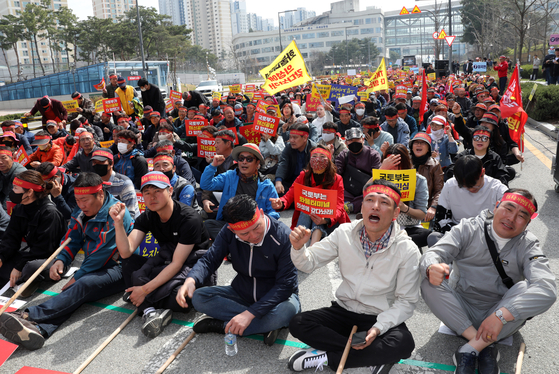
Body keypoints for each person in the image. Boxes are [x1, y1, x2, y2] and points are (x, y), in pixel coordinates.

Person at [287, 179, 420, 373]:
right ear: (363, 206)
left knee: (404, 343)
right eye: (369, 200)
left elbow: (406, 302)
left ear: (395, 213)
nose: (375, 206)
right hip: (344, 311)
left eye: (384, 202)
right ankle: (367, 354)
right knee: (298, 323)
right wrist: (298, 248)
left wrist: (378, 328)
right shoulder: (344, 232)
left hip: (378, 317)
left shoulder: (407, 249)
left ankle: (326, 358)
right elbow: (309, 263)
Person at [420, 189, 556, 374]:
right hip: (461, 309)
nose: (511, 218)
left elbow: (547, 289)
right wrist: (431, 266)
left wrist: (501, 315)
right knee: (429, 282)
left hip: (500, 314)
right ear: (497, 205)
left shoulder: (529, 244)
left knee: (525, 287)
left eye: (521, 216)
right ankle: (483, 343)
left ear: (528, 223)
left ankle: (469, 349)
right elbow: (434, 253)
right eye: (508, 208)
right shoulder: (469, 227)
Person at [0, 172, 134, 350]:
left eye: (85, 200)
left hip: (120, 266)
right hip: (95, 263)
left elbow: (102, 253)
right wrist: (61, 259)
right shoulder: (81, 209)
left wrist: (78, 276)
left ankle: (26, 315)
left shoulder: (116, 213)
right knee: (76, 294)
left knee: (82, 285)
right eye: (77, 200)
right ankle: (40, 329)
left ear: (100, 194)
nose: (80, 205)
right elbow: (72, 237)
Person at [174, 195, 299, 347]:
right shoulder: (228, 233)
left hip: (278, 299)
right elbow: (210, 259)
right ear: (232, 229)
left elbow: (285, 286)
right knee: (199, 297)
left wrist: (249, 314)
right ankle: (265, 324)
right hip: (242, 293)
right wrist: (191, 280)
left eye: (256, 227)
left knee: (286, 311)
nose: (253, 236)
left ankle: (224, 326)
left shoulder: (284, 236)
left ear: (260, 212)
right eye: (244, 234)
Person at [109, 171, 211, 338]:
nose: (152, 197)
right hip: (167, 259)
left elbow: (178, 264)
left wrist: (143, 289)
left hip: (194, 263)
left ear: (170, 191)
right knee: (128, 262)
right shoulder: (148, 216)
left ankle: (143, 301)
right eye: (147, 193)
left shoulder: (189, 218)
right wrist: (118, 223)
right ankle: (149, 310)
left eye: (157, 191)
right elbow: (126, 251)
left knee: (184, 301)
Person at [0, 171, 65, 297]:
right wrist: (2, 256)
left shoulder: (49, 213)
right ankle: (19, 280)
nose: (12, 192)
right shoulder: (20, 208)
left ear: (29, 192)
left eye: (16, 188)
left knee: (31, 267)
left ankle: (29, 281)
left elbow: (45, 249)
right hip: (32, 251)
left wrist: (19, 266)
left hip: (52, 256)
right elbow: (11, 238)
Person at [271, 144, 350, 244]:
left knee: (318, 210)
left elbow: (339, 206)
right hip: (307, 218)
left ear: (329, 160)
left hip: (330, 222)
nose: (317, 159)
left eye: (322, 157)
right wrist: (281, 202)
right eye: (314, 156)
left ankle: (311, 247)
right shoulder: (303, 176)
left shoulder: (337, 179)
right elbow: (290, 195)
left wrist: (325, 219)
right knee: (308, 209)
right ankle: (300, 243)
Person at [200, 144, 280, 240]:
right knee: (208, 224)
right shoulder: (229, 176)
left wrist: (260, 223)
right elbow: (206, 185)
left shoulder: (267, 185)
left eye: (249, 159)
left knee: (277, 231)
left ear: (257, 163)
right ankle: (237, 243)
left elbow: (273, 213)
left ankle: (234, 243)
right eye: (241, 158)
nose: (244, 162)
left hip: (253, 227)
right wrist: (213, 165)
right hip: (231, 225)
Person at [428, 155, 508, 246]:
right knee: (433, 237)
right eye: (465, 187)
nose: (470, 190)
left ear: (483, 172)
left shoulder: (497, 189)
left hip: (487, 235)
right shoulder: (450, 185)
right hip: (458, 233)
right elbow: (441, 218)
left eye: (475, 186)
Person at [380, 144, 430, 249]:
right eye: (390, 163)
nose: (393, 168)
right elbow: (365, 191)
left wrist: (404, 207)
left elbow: (422, 214)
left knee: (427, 235)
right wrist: (382, 169)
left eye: (397, 164)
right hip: (382, 227)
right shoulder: (380, 175)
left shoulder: (419, 180)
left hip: (408, 228)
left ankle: (394, 246)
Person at [335, 128, 381, 215]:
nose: (354, 142)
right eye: (351, 140)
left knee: (376, 193)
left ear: (363, 140)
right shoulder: (343, 155)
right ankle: (355, 206)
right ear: (346, 142)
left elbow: (377, 177)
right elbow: (336, 174)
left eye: (357, 139)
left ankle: (352, 206)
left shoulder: (373, 155)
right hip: (347, 191)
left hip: (366, 190)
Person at [88, 148, 140, 218]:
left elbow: (131, 215)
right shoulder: (92, 183)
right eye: (94, 162)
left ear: (111, 163)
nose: (97, 165)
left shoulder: (124, 183)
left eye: (101, 162)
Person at [409, 133, 444, 222]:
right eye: (416, 142)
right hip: (404, 206)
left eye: (423, 143)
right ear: (411, 146)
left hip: (425, 207)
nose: (419, 145)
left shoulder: (435, 164)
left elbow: (439, 190)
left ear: (428, 148)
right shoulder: (404, 161)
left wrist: (433, 207)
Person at [275, 123, 316, 195]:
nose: (291, 140)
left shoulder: (314, 149)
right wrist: (278, 181)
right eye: (290, 137)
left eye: (295, 137)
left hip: (308, 185)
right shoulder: (289, 147)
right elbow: (283, 163)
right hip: (290, 182)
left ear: (305, 138)